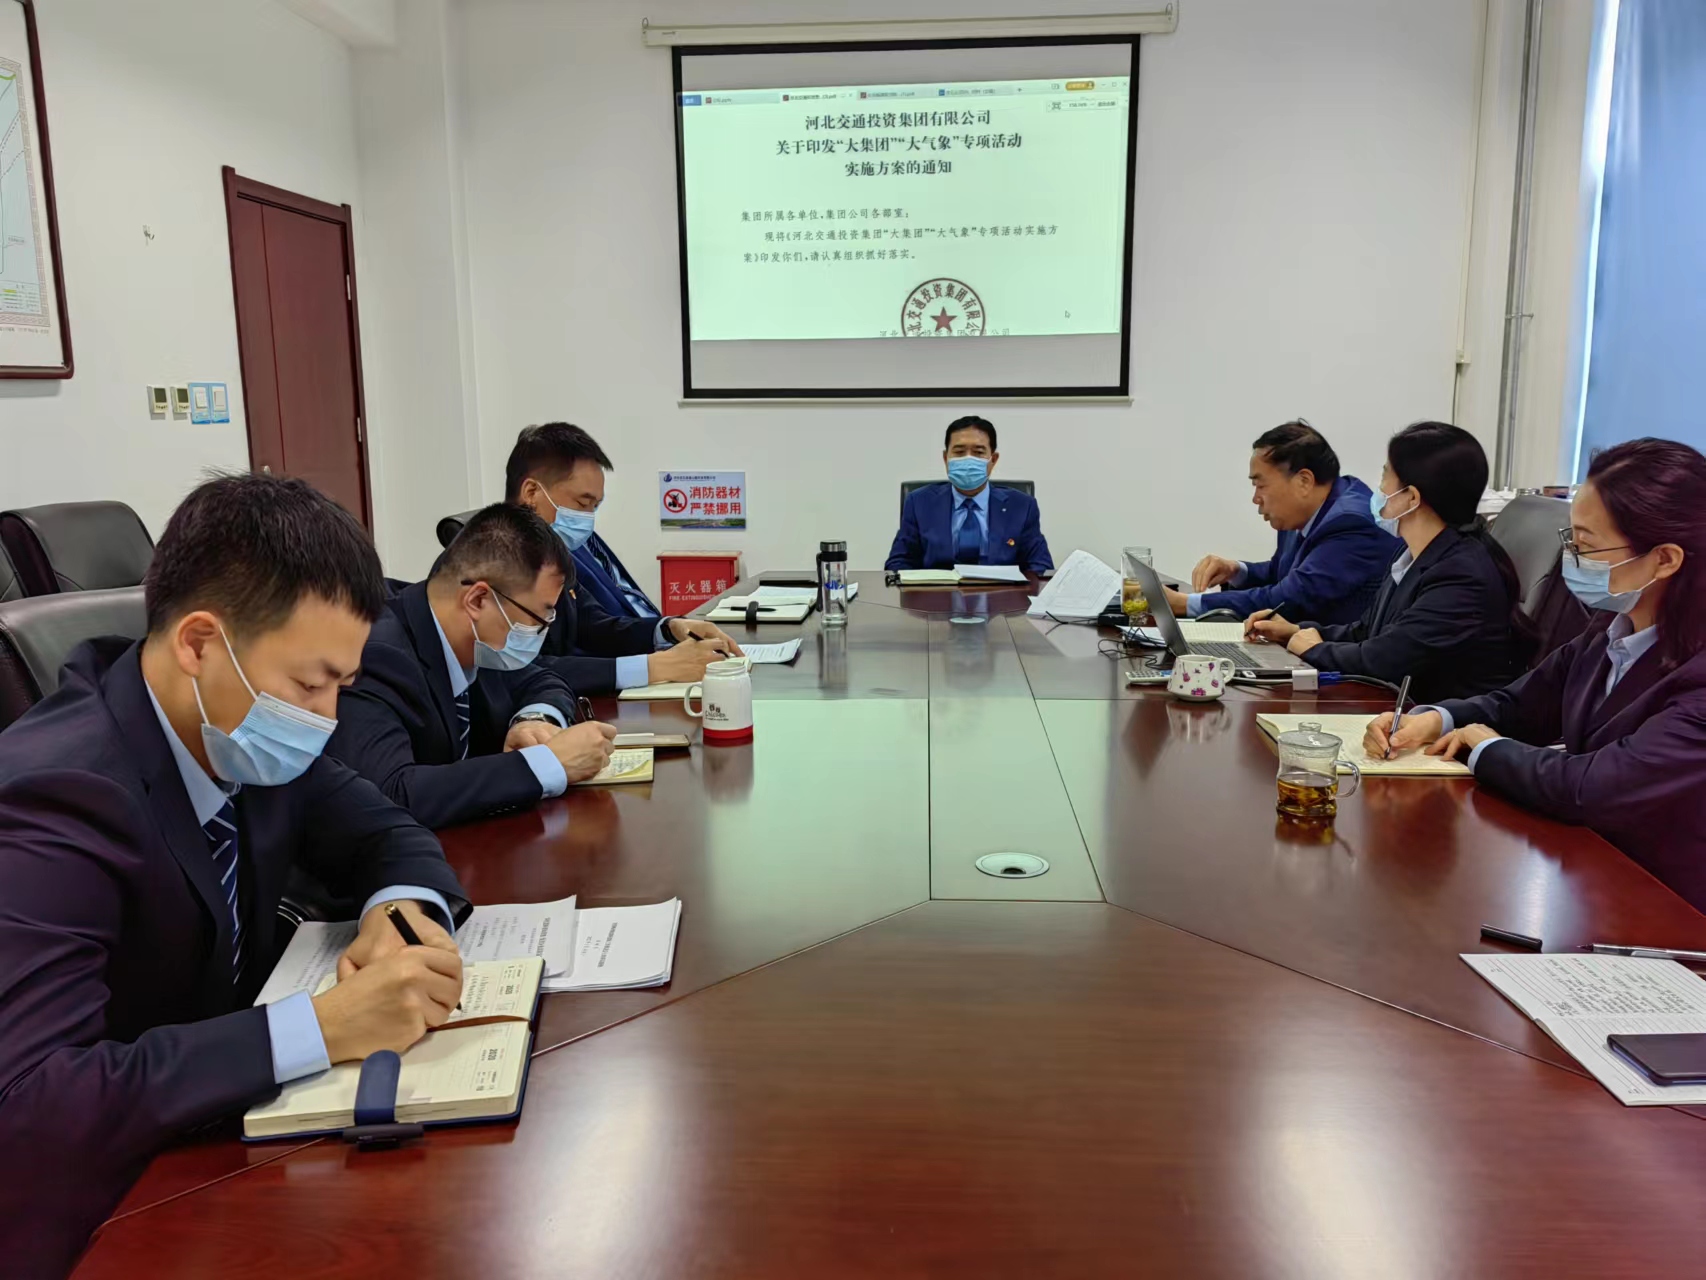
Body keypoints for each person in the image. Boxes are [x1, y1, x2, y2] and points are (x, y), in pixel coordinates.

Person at [0, 475, 468, 1277]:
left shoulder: (236, 727)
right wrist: (324, 1027)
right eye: (309, 683)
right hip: (110, 1210)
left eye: (342, 686)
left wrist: (399, 915)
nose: (326, 718)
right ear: (199, 644)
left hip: (233, 1135)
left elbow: (388, 831)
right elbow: (34, 1103)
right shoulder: (57, 796)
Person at [1365, 437, 1706, 912]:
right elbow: (1521, 705)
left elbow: (1590, 789)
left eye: (1586, 544)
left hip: (1667, 909)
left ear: (1665, 559)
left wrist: (1485, 747)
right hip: (1589, 876)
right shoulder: (1612, 626)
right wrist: (1435, 720)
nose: (1572, 556)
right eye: (1571, 539)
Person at [329, 504, 618, 830]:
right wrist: (546, 763)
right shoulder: (377, 654)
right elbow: (390, 793)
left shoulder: (480, 638)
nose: (541, 631)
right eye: (539, 617)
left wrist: (533, 722)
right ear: (478, 600)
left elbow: (543, 680)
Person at [1249, 422, 1531, 702]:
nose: (1379, 489)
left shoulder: (1461, 574)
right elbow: (1367, 631)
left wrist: (1308, 648)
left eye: (1385, 476)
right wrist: (1297, 631)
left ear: (1411, 498)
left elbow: (1383, 660)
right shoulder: (1411, 554)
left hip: (1439, 722)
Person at [505, 422, 742, 692]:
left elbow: (593, 625)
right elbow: (520, 670)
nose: (588, 518)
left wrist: (668, 628)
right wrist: (655, 667)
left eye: (595, 507)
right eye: (582, 504)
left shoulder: (553, 554)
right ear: (531, 493)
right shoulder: (498, 562)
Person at [1169, 420, 1399, 623]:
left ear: (1304, 481)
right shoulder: (1305, 512)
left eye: (1260, 485)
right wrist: (1235, 570)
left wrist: (1186, 604)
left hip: (1342, 653)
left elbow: (1288, 599)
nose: (1255, 498)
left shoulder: (1350, 523)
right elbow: (1281, 572)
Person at [885, 415, 1053, 575]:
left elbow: (1041, 566)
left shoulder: (1022, 506)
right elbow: (898, 563)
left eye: (978, 452)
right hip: (937, 594)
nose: (968, 460)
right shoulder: (919, 503)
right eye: (959, 452)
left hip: (1002, 595)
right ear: (945, 458)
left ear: (993, 460)